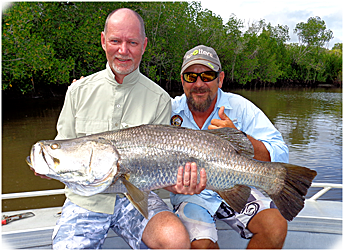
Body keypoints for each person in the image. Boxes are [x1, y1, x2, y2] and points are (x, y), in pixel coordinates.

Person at [38, 9, 207, 249]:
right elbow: (64, 148)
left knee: (176, 239)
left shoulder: (160, 99)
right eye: (116, 41)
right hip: (86, 201)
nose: (123, 50)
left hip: (136, 197)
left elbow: (160, 170)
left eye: (132, 42)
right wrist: (51, 166)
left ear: (144, 45)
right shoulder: (77, 91)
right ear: (103, 41)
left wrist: (180, 183)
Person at [170, 45, 289, 249]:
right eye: (191, 77)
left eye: (207, 75)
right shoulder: (168, 111)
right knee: (202, 246)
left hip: (235, 187)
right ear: (182, 81)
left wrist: (240, 137)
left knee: (275, 226)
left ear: (221, 78)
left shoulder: (240, 107)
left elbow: (280, 154)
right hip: (190, 196)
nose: (199, 83)